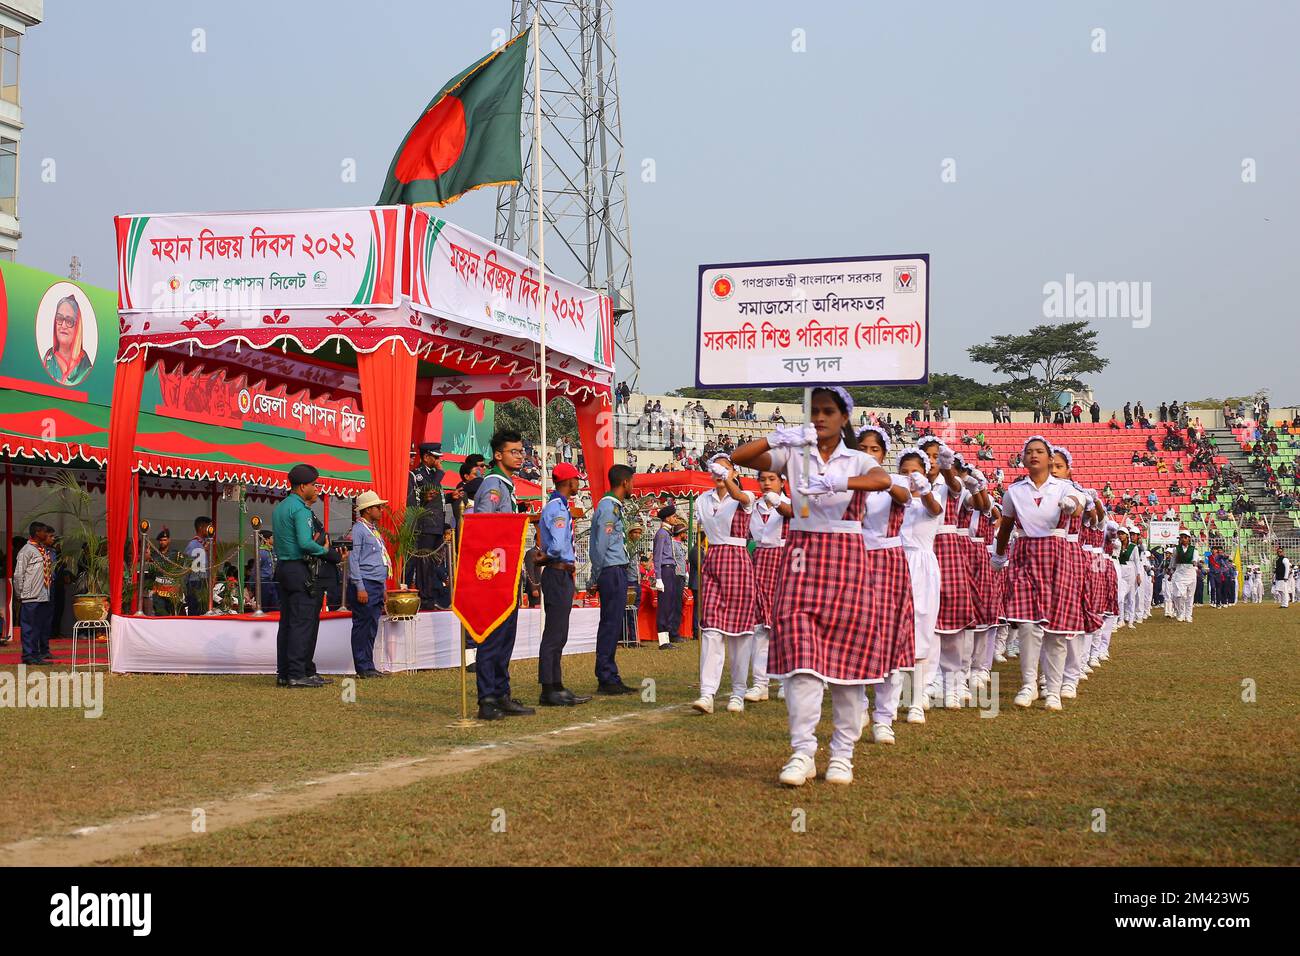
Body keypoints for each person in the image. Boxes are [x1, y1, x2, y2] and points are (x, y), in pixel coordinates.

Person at [731, 386, 894, 787]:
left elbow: (883, 479)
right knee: (802, 663)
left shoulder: (857, 458)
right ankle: (802, 751)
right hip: (802, 554)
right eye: (814, 411)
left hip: (848, 556)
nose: (819, 418)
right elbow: (739, 458)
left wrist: (842, 483)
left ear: (844, 417)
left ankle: (842, 755)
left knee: (848, 666)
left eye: (827, 412)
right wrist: (776, 438)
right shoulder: (794, 455)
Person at [992, 436, 1087, 712]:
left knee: (1056, 631)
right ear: (1023, 459)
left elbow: (1077, 502)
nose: (1034, 455)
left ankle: (1054, 690)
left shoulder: (1064, 487)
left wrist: (1071, 505)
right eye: (1029, 452)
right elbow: (1007, 526)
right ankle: (1028, 684)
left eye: (1040, 451)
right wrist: (999, 555)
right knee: (1027, 624)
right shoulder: (1014, 491)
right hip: (1025, 556)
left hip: (1058, 556)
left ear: (1049, 457)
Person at [472, 429, 537, 718]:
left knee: (506, 635)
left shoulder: (508, 486)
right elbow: (484, 526)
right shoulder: (493, 485)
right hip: (495, 572)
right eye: (514, 451)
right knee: (494, 635)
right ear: (498, 455)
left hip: (508, 570)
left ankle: (501, 693)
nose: (520, 456)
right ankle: (487, 698)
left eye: (522, 451)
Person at [691, 453, 758, 715]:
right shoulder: (701, 500)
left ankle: (739, 691)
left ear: (734, 473)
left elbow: (741, 498)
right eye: (717, 468)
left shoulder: (746, 497)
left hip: (738, 561)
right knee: (711, 629)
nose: (720, 472)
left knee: (740, 633)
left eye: (727, 468)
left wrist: (728, 478)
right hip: (714, 559)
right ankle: (707, 692)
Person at [272, 464, 341, 688]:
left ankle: (286, 672)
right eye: (314, 484)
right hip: (299, 569)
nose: (316, 488)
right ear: (303, 487)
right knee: (304, 623)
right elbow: (304, 542)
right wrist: (326, 552)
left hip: (283, 568)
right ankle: (297, 673)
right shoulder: (301, 509)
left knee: (288, 623)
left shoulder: (281, 507)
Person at [536, 462, 593, 705]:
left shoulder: (559, 506)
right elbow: (558, 546)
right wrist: (550, 556)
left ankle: (556, 684)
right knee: (554, 633)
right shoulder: (557, 508)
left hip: (559, 574)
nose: (578, 484)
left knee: (559, 633)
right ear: (569, 482)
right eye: (576, 480)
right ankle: (549, 688)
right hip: (557, 572)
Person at [588, 464, 640, 696]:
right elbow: (600, 545)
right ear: (625, 483)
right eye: (632, 482)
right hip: (611, 570)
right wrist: (596, 575)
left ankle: (609, 674)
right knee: (610, 624)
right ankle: (606, 676)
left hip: (615, 569)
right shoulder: (609, 508)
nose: (633, 486)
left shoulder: (613, 507)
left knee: (612, 623)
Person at [747, 468, 793, 704]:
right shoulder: (753, 507)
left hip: (786, 562)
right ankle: (760, 683)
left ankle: (787, 681)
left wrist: (777, 501)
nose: (766, 483)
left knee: (785, 626)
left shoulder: (788, 503)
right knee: (760, 628)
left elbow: (792, 514)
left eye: (771, 479)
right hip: (761, 563)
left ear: (782, 482)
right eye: (762, 479)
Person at [346, 490, 390, 679]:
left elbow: (380, 559)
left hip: (376, 584)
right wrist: (360, 587)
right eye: (378, 507)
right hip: (365, 584)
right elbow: (354, 560)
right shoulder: (358, 530)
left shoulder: (372, 529)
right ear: (367, 510)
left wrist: (384, 587)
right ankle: (362, 666)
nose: (381, 510)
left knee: (371, 626)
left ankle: (368, 664)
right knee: (363, 625)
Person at [407, 442, 448, 610]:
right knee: (424, 562)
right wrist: (439, 472)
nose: (438, 461)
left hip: (437, 523)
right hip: (427, 524)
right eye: (435, 457)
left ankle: (432, 594)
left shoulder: (431, 473)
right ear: (426, 457)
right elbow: (430, 489)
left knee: (433, 563)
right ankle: (425, 596)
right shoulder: (419, 474)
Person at [16, 523, 55, 665]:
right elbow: (19, 574)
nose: (47, 534)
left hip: (43, 594)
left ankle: (36, 654)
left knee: (39, 626)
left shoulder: (42, 550)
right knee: (29, 627)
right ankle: (27, 655)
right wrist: (19, 593)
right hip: (30, 595)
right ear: (37, 532)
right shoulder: (26, 550)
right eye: (44, 532)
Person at [650, 503, 684, 651]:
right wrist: (658, 577)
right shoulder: (662, 534)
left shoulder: (666, 533)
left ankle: (667, 638)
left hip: (670, 570)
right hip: (664, 570)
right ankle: (663, 641)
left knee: (669, 604)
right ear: (668, 518)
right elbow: (657, 557)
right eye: (674, 516)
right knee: (664, 605)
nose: (675, 519)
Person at [44, 295, 94, 386]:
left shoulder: (85, 369)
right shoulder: (47, 359)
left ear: (77, 327)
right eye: (59, 318)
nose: (63, 325)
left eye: (69, 321)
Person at [148, 528, 180, 616]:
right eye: (161, 540)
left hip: (171, 590)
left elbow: (180, 570)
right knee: (160, 613)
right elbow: (151, 572)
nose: (162, 542)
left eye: (165, 540)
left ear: (169, 540)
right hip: (158, 591)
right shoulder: (154, 555)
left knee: (172, 615)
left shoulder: (175, 554)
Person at [184, 517, 212, 616]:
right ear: (201, 527)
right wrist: (184, 586)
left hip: (204, 581)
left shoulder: (205, 544)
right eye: (208, 526)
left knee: (203, 611)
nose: (210, 529)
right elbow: (186, 566)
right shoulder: (193, 545)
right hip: (195, 583)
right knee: (195, 611)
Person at [255, 530, 278, 611]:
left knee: (275, 606)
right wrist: (251, 586)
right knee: (264, 606)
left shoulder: (272, 551)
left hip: (273, 581)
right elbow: (255, 569)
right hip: (264, 582)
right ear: (267, 539)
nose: (274, 540)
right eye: (272, 538)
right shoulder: (261, 552)